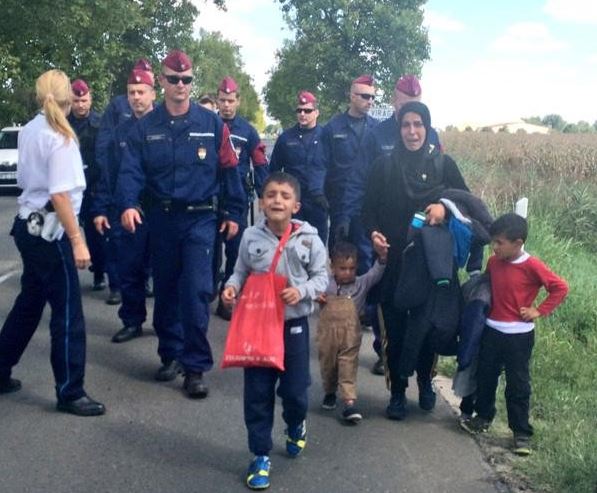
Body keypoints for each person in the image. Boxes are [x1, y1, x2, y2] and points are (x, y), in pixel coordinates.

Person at [115, 50, 245, 398]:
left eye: (186, 80)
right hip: (161, 219)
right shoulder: (146, 127)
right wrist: (128, 204)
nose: (180, 85)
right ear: (162, 80)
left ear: (192, 81)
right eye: (173, 79)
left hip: (200, 219)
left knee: (197, 290)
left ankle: (195, 367)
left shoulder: (211, 123)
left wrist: (234, 212)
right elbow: (130, 171)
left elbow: (229, 169)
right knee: (168, 290)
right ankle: (170, 354)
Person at [0, 69, 105, 416]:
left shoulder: (31, 129)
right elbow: (60, 194)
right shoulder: (59, 137)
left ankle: (1, 369)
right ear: (68, 99)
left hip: (27, 226)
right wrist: (78, 241)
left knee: (29, 303)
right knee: (68, 312)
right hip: (51, 232)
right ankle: (70, 391)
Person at [362, 101, 471, 421]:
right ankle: (397, 391)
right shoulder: (384, 166)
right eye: (406, 125)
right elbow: (366, 210)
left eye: (418, 125)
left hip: (431, 265)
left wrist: (445, 208)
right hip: (394, 261)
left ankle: (425, 382)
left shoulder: (443, 164)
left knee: (427, 327)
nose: (412, 131)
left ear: (427, 127)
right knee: (394, 329)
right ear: (399, 129)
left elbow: (466, 205)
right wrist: (373, 235)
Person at [221, 172, 328, 491]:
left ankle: (296, 423)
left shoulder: (309, 238)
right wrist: (230, 288)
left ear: (296, 205)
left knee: (295, 392)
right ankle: (260, 455)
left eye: (284, 195)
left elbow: (322, 278)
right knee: (257, 393)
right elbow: (239, 271)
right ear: (261, 202)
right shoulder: (251, 237)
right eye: (270, 194)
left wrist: (303, 291)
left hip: (293, 326)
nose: (277, 200)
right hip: (258, 325)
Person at [460, 213, 568, 456]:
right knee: (486, 376)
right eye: (493, 242)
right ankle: (483, 417)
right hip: (492, 330)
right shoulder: (494, 262)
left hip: (519, 336)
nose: (494, 247)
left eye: (499, 242)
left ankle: (521, 433)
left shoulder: (533, 265)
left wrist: (538, 311)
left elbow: (560, 288)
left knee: (518, 383)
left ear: (518, 243)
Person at [92, 67, 156, 343]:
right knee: (129, 270)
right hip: (125, 213)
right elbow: (109, 174)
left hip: (157, 212)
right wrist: (100, 208)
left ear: (153, 93)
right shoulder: (120, 133)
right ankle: (132, 320)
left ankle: (166, 327)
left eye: (141, 92)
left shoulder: (165, 125)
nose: (136, 97)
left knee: (164, 275)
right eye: (131, 93)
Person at [214, 76, 269, 321]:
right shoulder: (208, 125)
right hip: (211, 198)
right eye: (222, 100)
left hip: (237, 199)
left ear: (238, 101)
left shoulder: (248, 131)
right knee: (211, 252)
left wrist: (264, 197)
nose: (226, 105)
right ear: (217, 100)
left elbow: (259, 164)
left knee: (236, 252)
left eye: (230, 100)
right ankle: (208, 287)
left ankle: (226, 298)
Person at [317, 240, 387, 423]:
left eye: (351, 268)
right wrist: (317, 297)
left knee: (348, 364)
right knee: (329, 364)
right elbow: (311, 294)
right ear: (332, 267)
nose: (347, 273)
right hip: (327, 332)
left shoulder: (361, 284)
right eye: (342, 268)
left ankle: (349, 402)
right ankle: (330, 391)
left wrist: (382, 258)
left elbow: (375, 274)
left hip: (351, 334)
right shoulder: (325, 284)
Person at [318, 74, 378, 267]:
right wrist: (319, 194)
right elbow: (321, 164)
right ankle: (339, 297)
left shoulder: (377, 129)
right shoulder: (332, 128)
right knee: (339, 256)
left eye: (373, 97)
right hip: (340, 202)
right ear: (352, 96)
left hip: (367, 203)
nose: (370, 101)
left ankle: (363, 297)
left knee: (366, 255)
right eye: (365, 96)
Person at [67, 79, 110, 296]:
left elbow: (104, 159)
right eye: (76, 101)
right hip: (70, 187)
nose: (80, 105)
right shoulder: (63, 122)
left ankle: (99, 272)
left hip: (93, 186)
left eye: (84, 100)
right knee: (68, 231)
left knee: (96, 234)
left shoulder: (100, 123)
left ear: (90, 99)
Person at [269, 90, 328, 244]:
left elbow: (334, 169)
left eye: (307, 110)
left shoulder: (327, 137)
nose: (303, 114)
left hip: (318, 203)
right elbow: (274, 171)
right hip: (293, 203)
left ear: (316, 113)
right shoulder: (286, 138)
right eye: (299, 110)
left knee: (318, 248)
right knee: (291, 247)